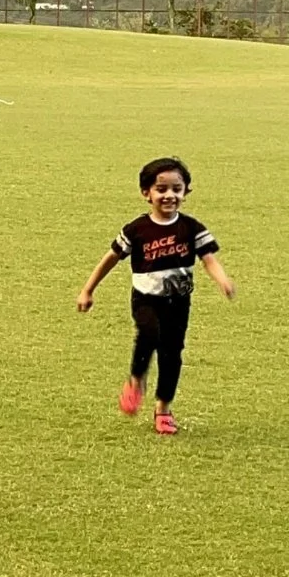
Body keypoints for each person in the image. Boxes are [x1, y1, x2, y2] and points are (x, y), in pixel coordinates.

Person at [76, 156, 234, 434]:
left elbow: (208, 259)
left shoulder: (191, 228)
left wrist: (222, 281)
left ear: (186, 192)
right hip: (146, 299)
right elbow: (111, 258)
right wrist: (88, 289)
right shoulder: (137, 230)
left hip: (179, 303)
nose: (169, 195)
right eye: (161, 189)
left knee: (172, 354)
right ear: (146, 193)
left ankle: (163, 409)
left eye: (176, 188)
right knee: (149, 333)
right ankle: (137, 380)